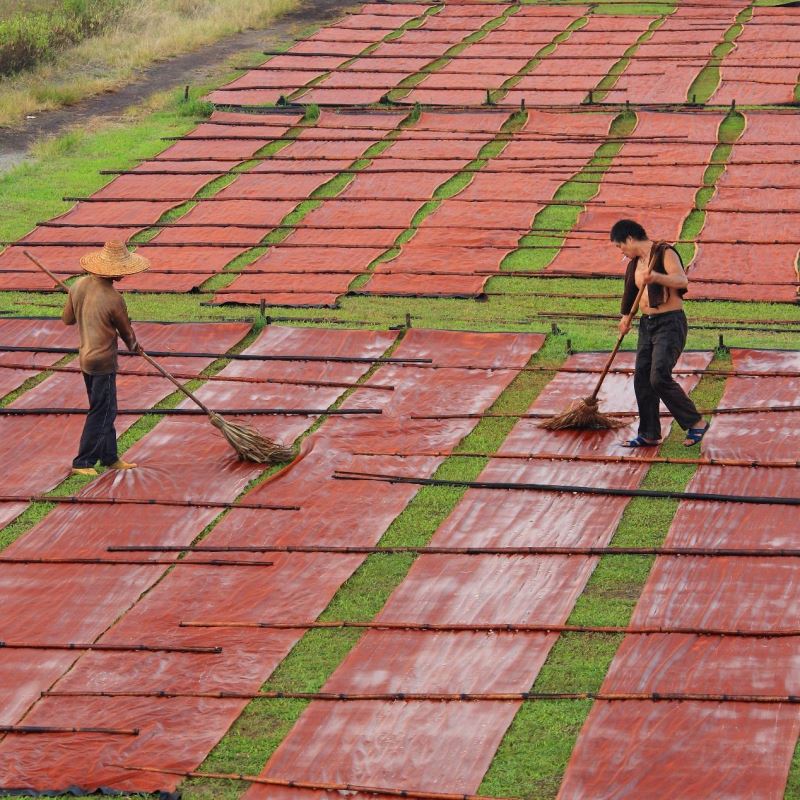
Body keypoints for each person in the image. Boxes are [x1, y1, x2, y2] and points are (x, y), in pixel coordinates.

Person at [610, 219, 708, 448]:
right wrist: (626, 319)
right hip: (647, 324)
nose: (621, 251)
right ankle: (649, 433)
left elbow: (681, 280)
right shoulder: (635, 263)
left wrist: (656, 277)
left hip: (670, 324)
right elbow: (632, 294)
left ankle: (696, 423)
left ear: (630, 239)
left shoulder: (665, 253)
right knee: (642, 379)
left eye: (620, 246)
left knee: (659, 376)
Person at [62, 241, 150, 476]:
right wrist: (135, 346)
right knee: (103, 411)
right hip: (103, 362)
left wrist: (76, 300)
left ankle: (109, 457)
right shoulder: (113, 298)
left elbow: (67, 319)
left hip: (85, 359)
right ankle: (83, 461)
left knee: (103, 406)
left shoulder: (78, 285)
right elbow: (126, 332)